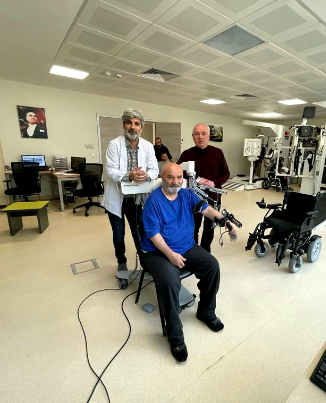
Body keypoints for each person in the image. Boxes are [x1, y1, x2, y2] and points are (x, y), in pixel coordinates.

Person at [141, 163, 238, 362]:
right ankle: (175, 336)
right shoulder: (153, 201)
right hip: (158, 252)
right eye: (170, 177)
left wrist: (224, 221)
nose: (175, 182)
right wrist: (170, 255)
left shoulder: (186, 195)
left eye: (179, 177)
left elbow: (207, 209)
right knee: (170, 281)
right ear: (162, 177)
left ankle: (206, 313)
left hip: (186, 246)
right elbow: (153, 234)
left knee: (212, 266)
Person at [101, 108, 159, 277]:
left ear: (141, 127)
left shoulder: (148, 146)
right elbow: (111, 171)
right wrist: (130, 176)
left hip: (137, 200)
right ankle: (121, 261)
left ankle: (145, 263)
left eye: (136, 123)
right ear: (123, 125)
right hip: (117, 198)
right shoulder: (114, 145)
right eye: (129, 123)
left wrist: (146, 175)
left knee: (140, 234)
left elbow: (155, 169)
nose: (132, 127)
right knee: (119, 235)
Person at [177, 123, 230, 252]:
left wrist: (214, 183)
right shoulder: (187, 154)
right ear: (193, 136)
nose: (200, 137)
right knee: (193, 228)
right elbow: (177, 172)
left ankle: (205, 252)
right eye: (197, 134)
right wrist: (196, 180)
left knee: (209, 228)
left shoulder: (217, 153)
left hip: (213, 198)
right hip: (192, 199)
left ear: (209, 136)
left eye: (203, 133)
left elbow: (226, 173)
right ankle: (194, 252)